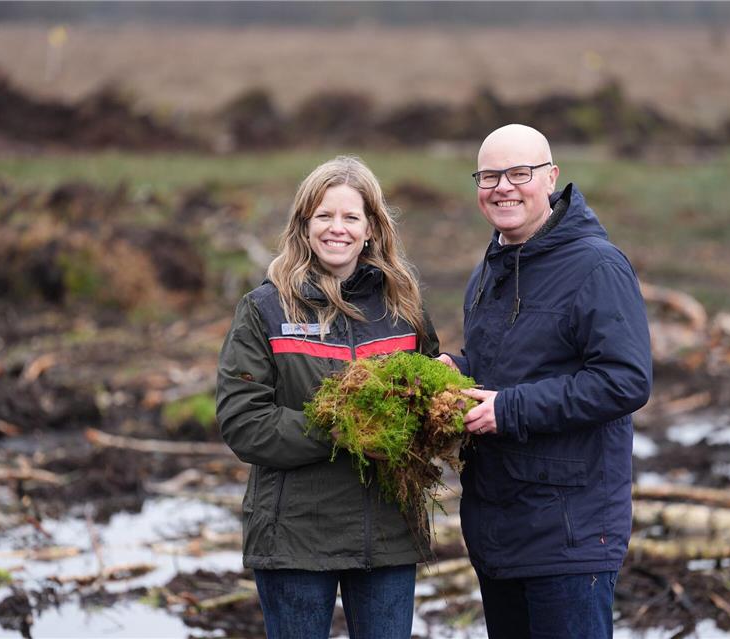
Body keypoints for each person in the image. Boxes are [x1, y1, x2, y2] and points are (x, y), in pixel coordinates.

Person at [437, 124, 652, 638]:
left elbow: (625, 381)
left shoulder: (597, 266)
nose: (503, 187)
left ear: (551, 178)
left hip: (571, 535)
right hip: (498, 531)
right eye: (489, 176)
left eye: (519, 173)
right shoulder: (489, 267)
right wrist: (455, 372)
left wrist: (509, 410)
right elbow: (506, 367)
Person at [216, 156, 439, 639]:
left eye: (350, 217)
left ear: (371, 230)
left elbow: (425, 399)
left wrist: (444, 393)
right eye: (324, 216)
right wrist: (339, 428)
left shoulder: (403, 307)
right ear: (304, 226)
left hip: (388, 535)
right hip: (294, 538)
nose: (337, 229)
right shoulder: (266, 309)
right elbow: (243, 423)